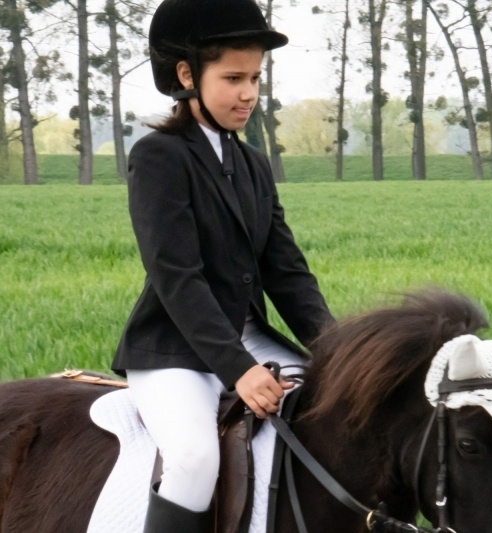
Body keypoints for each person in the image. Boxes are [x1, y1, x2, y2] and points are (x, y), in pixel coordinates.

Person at [111, 1, 333, 531]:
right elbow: (176, 278)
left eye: (255, 77)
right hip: (175, 351)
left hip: (252, 335)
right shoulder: (159, 156)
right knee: (194, 460)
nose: (249, 93)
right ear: (186, 75)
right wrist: (239, 368)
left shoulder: (252, 162)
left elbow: (287, 271)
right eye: (233, 77)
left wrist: (342, 350)